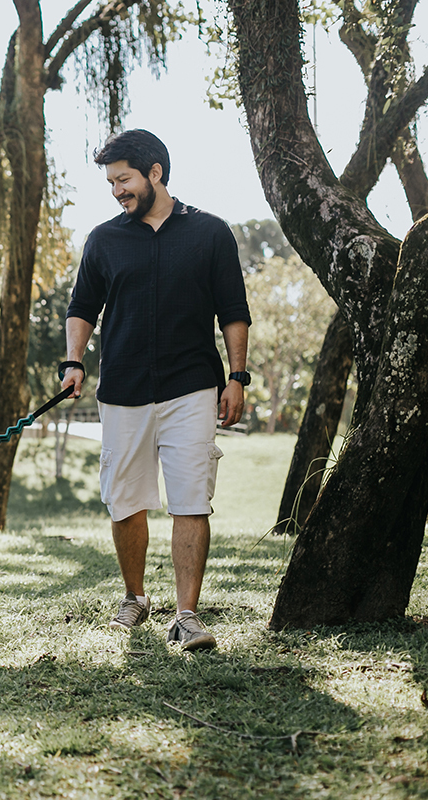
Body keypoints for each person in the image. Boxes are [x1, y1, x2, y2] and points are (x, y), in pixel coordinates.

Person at [61, 129, 251, 651]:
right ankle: (136, 597)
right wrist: (73, 361)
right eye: (111, 182)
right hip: (121, 388)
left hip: (192, 386)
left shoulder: (211, 232)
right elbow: (82, 308)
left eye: (123, 179)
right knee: (125, 502)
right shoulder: (103, 239)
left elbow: (234, 312)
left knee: (191, 498)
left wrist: (236, 377)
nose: (116, 191)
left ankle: (186, 614)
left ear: (155, 173)